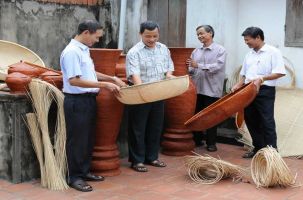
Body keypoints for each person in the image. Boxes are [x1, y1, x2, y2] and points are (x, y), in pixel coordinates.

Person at [60, 20, 126, 192]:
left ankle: (84, 171)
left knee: (88, 138)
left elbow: (90, 73)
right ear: (86, 32)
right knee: (77, 141)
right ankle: (74, 177)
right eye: (96, 37)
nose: (97, 41)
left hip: (88, 100)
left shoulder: (83, 50)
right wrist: (104, 86)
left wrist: (111, 78)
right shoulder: (72, 52)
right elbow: (74, 80)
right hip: (77, 101)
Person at [126, 21, 174, 172]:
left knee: (155, 126)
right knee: (138, 128)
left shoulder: (163, 48)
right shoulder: (134, 52)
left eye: (155, 36)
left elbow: (169, 67)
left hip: (159, 92)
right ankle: (137, 160)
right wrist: (143, 91)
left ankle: (152, 157)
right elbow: (135, 75)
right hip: (140, 94)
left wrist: (169, 76)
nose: (152, 39)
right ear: (140, 34)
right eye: (148, 36)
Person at [232, 27, 286, 158]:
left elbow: (279, 72)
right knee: (251, 120)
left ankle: (272, 152)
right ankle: (258, 148)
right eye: (245, 40)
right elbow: (244, 73)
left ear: (258, 38)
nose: (246, 43)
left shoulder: (273, 52)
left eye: (248, 40)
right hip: (248, 90)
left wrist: (262, 78)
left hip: (265, 91)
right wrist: (239, 84)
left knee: (267, 121)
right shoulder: (249, 54)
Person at [186, 25, 226, 152]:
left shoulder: (220, 50)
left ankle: (211, 143)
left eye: (202, 33)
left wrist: (198, 65)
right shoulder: (196, 51)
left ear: (211, 33)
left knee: (211, 117)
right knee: (197, 115)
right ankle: (197, 140)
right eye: (198, 34)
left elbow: (217, 67)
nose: (199, 36)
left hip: (212, 89)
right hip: (197, 89)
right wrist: (190, 69)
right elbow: (191, 69)